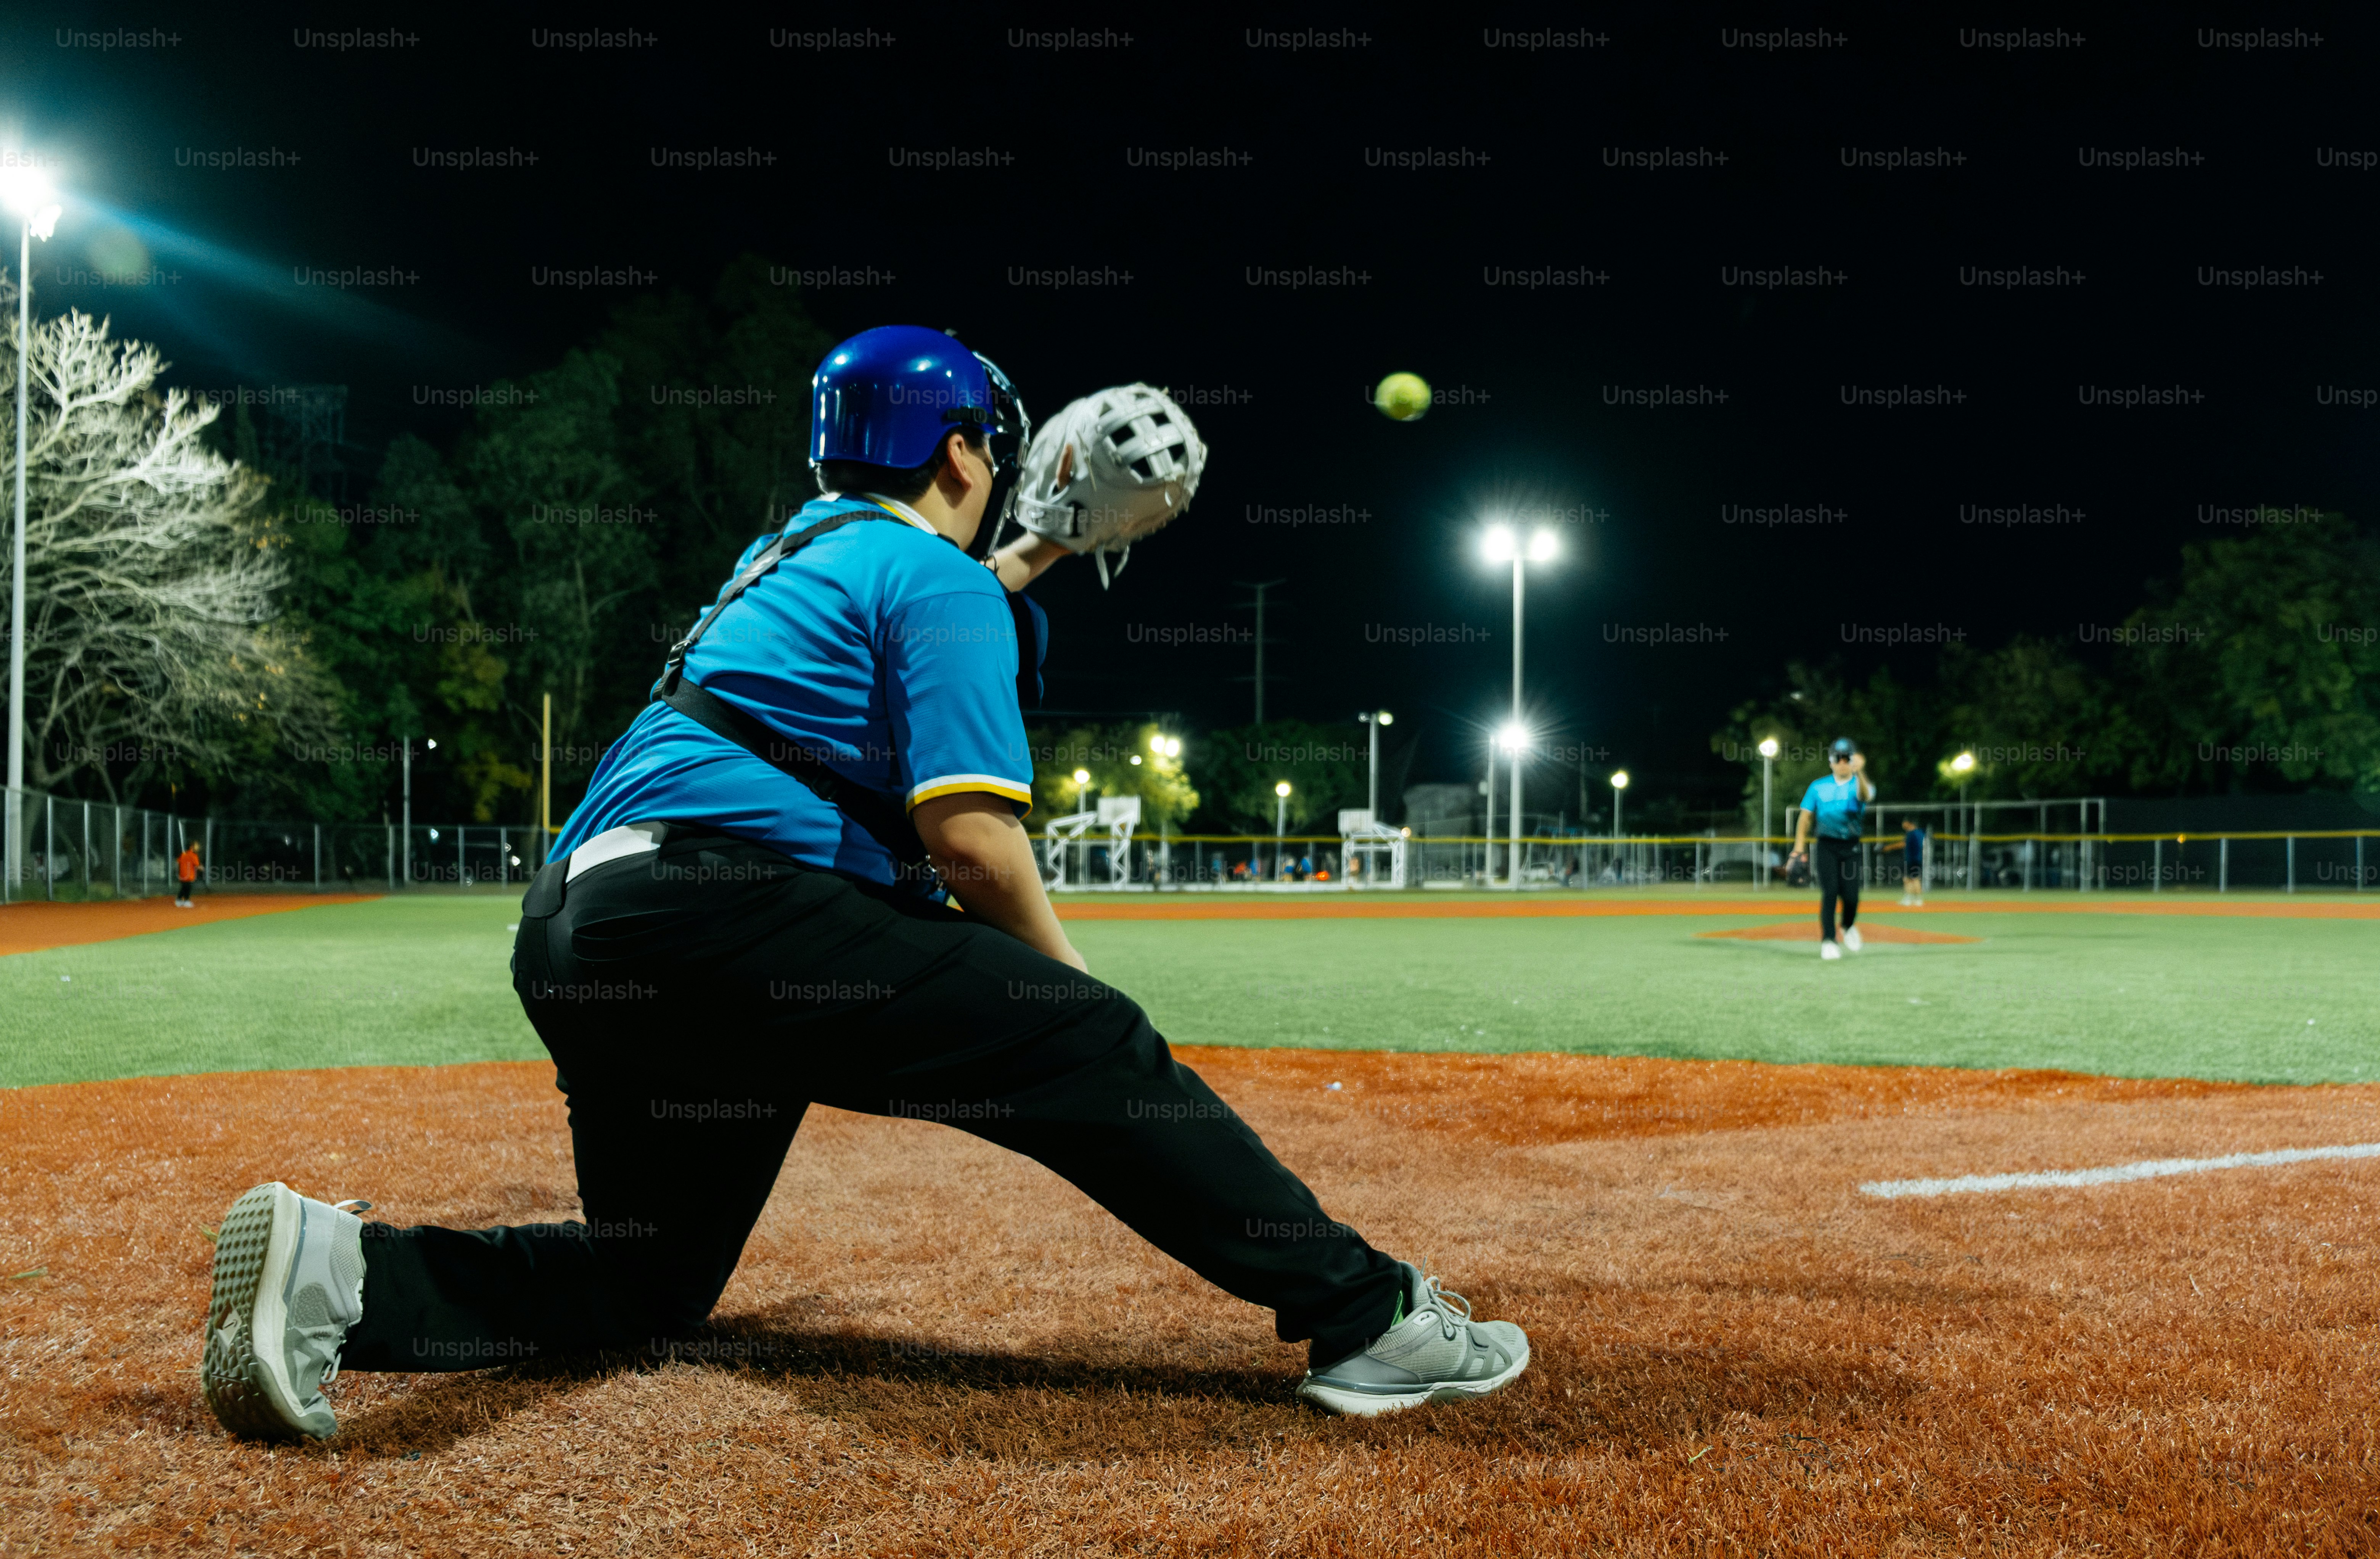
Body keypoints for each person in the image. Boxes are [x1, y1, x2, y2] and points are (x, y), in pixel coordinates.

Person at [196, 326, 1526, 1442]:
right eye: (990, 448)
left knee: (653, 1280)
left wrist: (1042, 548)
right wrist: (1071, 998)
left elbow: (927, 609)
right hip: (731, 915)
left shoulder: (787, 558)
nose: (1002, 470)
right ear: (956, 452)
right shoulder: (933, 578)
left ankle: (344, 1278)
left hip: (585, 929)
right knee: (1093, 1037)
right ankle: (1372, 1321)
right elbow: (968, 841)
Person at [1788, 738, 1874, 960]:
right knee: (1831, 892)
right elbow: (1806, 818)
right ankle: (1828, 940)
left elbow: (1866, 796)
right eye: (1839, 758)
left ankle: (1847, 926)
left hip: (1851, 845)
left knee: (1852, 896)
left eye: (1847, 758)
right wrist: (1799, 848)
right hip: (1826, 846)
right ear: (1831, 761)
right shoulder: (1818, 786)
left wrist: (1861, 772)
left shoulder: (1859, 783)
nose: (1843, 762)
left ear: (1853, 760)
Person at [1890, 816, 1927, 906]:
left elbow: (1904, 844)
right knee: (1910, 879)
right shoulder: (1920, 832)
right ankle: (1912, 899)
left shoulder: (1912, 833)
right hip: (1917, 859)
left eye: (1905, 822)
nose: (1903, 824)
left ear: (1909, 823)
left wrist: (1888, 848)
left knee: (1912, 879)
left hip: (1912, 859)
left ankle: (1915, 900)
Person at [174, 841, 200, 908]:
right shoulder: (193, 855)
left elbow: (178, 861)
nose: (198, 848)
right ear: (192, 847)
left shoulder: (184, 854)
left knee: (184, 888)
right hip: (189, 875)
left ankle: (179, 900)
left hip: (182, 875)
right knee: (188, 888)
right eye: (196, 846)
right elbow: (197, 865)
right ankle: (186, 901)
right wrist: (203, 869)